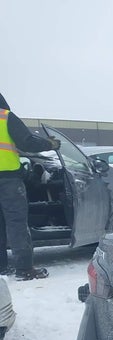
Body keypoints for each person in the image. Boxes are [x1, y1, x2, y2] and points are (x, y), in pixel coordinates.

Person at [0, 91, 60, 281]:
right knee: (16, 223)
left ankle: (2, 266)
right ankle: (24, 269)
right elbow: (27, 142)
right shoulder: (5, 117)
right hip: (8, 181)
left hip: (11, 176)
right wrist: (50, 144)